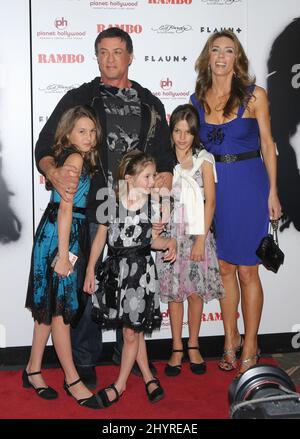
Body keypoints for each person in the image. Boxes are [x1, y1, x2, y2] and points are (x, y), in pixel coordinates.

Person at [34, 27, 174, 388]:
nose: (110, 59)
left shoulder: (150, 103)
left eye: (117, 52)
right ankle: (85, 358)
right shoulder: (81, 97)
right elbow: (45, 145)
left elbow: (165, 158)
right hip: (95, 203)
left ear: (130, 56)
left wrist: (166, 178)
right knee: (88, 282)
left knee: (134, 282)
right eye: (103, 52)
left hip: (135, 209)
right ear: (96, 57)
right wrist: (54, 170)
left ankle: (131, 352)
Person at [190, 30, 282, 376]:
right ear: (207, 56)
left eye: (229, 50)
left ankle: (252, 342)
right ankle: (229, 340)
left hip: (249, 185)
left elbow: (268, 145)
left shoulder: (255, 96)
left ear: (237, 58)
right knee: (225, 268)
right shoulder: (197, 98)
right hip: (215, 190)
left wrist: (273, 191)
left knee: (247, 269)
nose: (222, 56)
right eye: (216, 50)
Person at [24, 106, 103, 409]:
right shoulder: (75, 158)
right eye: (81, 131)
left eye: (92, 131)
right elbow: (66, 209)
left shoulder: (76, 157)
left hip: (60, 233)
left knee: (47, 306)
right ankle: (72, 379)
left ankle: (33, 369)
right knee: (60, 311)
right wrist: (63, 256)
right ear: (68, 134)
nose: (88, 136)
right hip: (61, 236)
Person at [83, 150, 177, 406]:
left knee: (132, 332)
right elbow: (100, 238)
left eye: (154, 175)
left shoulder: (152, 206)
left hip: (140, 276)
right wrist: (91, 269)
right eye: (147, 176)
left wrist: (170, 242)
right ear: (129, 178)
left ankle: (119, 385)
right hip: (117, 275)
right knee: (132, 330)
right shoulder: (111, 203)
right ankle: (147, 375)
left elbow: (152, 242)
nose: (152, 181)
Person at [156, 104, 224, 377]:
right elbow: (158, 198)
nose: (182, 137)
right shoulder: (163, 161)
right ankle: (176, 347)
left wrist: (200, 239)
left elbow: (211, 202)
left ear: (195, 134)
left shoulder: (205, 159)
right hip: (171, 234)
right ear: (171, 132)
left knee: (194, 291)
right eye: (177, 131)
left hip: (197, 233)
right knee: (174, 293)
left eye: (188, 132)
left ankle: (193, 344)